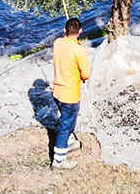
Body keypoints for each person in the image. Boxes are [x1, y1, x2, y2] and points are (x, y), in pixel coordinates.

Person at [51, 17, 91, 170]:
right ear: (80, 31)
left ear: (64, 30)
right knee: (66, 127)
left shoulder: (58, 43)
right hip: (70, 95)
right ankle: (59, 161)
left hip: (57, 92)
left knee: (64, 120)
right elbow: (86, 73)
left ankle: (69, 143)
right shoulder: (79, 49)